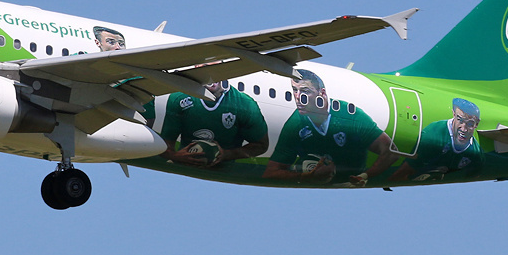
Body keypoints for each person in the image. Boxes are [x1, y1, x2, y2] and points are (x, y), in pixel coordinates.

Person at [262, 69, 397, 186]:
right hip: (316, 181)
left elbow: (391, 151)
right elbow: (271, 172)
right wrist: (306, 177)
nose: (298, 97)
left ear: (322, 93)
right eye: (295, 91)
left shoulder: (350, 115)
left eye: (305, 91)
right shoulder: (296, 123)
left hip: (350, 182)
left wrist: (364, 176)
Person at [159, 79, 268, 169]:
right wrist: (176, 156)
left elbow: (261, 145)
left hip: (226, 169)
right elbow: (165, 146)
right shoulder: (180, 97)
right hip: (184, 166)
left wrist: (226, 154)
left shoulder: (245, 104)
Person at [389, 98, 483, 181]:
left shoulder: (476, 151)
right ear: (454, 115)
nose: (464, 128)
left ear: (476, 124)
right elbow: (403, 172)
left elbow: (475, 177)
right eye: (460, 120)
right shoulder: (434, 133)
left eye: (470, 124)